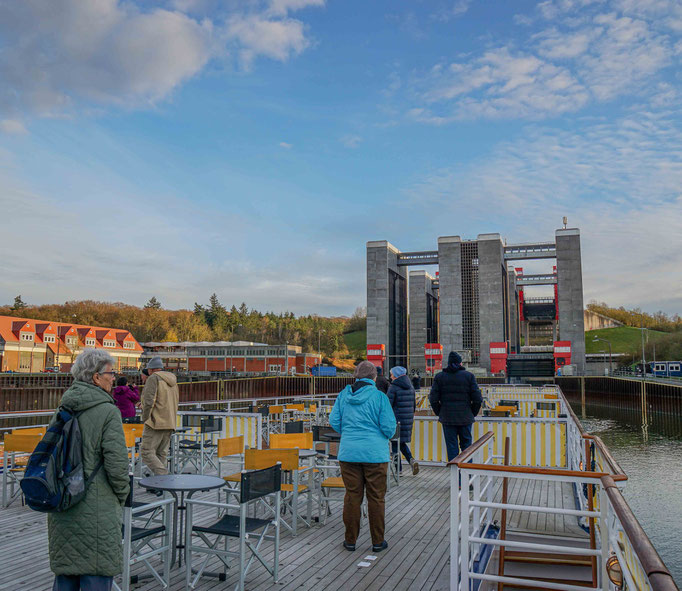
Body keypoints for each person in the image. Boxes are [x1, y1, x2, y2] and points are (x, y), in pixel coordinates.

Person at [48, 348, 130, 591]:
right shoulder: (108, 411)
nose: (114, 378)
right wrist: (122, 494)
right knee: (96, 574)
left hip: (63, 503)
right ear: (96, 377)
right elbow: (117, 465)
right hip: (97, 508)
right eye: (111, 373)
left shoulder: (63, 407)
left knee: (66, 576)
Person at [330, 360, 396, 553]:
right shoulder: (380, 397)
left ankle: (350, 540)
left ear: (356, 377)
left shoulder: (344, 395)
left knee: (352, 497)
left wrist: (349, 433)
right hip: (375, 455)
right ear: (374, 378)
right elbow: (389, 428)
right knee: (376, 498)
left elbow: (334, 420)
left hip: (349, 453)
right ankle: (377, 541)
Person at [429, 351, 482, 462]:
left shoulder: (439, 377)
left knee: (451, 447)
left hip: (447, 418)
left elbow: (433, 399)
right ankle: (467, 475)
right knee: (467, 447)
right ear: (460, 363)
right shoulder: (469, 376)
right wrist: (472, 413)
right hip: (465, 417)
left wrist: (441, 412)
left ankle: (455, 475)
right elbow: (477, 399)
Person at [140, 357, 179, 475]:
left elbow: (149, 401)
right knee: (161, 454)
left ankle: (163, 476)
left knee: (146, 452)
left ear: (151, 370)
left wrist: (145, 418)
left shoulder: (154, 378)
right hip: (170, 421)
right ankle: (160, 485)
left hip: (155, 422)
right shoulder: (172, 380)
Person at [387, 366, 418, 475]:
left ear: (395, 375)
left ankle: (398, 469)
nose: (390, 376)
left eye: (391, 374)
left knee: (395, 444)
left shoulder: (393, 387)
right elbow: (414, 405)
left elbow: (388, 406)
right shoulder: (411, 387)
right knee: (402, 443)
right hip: (407, 420)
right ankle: (411, 460)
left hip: (396, 421)